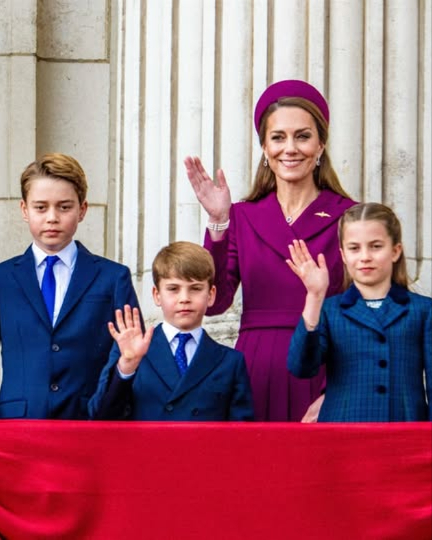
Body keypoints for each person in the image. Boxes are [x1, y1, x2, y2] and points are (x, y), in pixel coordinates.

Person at [184, 79, 356, 421]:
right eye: (278, 138)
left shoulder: (348, 216)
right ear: (264, 147)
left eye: (302, 136)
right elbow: (215, 302)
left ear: (321, 145)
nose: (289, 148)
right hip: (255, 369)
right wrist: (218, 222)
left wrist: (337, 391)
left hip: (324, 367)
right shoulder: (242, 217)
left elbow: (360, 315)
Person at [0, 153, 141, 419]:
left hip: (88, 421)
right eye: (40, 207)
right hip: (17, 425)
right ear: (24, 210)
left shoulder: (113, 278)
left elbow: (128, 355)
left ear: (82, 210)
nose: (52, 217)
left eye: (64, 207)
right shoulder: (3, 278)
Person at [287, 202, 432, 421]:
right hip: (342, 431)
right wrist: (314, 297)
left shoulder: (423, 310)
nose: (365, 256)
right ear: (343, 255)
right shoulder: (329, 310)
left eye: (376, 246)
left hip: (404, 430)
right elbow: (301, 367)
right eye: (354, 248)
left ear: (395, 251)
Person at [88, 241, 254, 421]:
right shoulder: (132, 352)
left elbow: (241, 431)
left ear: (211, 295)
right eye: (173, 289)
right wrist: (127, 367)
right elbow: (100, 417)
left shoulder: (230, 362)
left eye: (195, 289)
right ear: (157, 295)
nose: (184, 298)